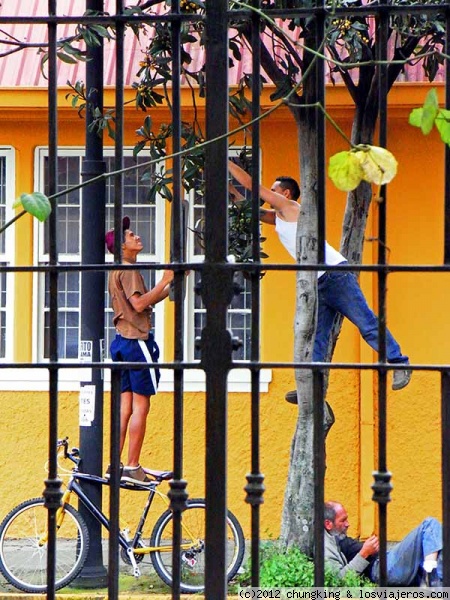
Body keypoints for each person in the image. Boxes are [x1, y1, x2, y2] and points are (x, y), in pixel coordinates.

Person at [228, 160, 412, 398]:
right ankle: (311, 390)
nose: (270, 195)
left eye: (274, 191)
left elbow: (254, 186)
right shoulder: (280, 217)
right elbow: (252, 210)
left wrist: (227, 163)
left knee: (365, 322)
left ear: (285, 193)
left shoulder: (290, 206)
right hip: (318, 281)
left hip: (334, 275)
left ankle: (399, 363)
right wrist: (230, 192)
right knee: (317, 337)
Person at [105, 216, 174, 485]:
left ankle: (115, 463)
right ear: (122, 247)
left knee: (125, 407)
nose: (136, 237)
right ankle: (132, 466)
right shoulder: (129, 270)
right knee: (141, 406)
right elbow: (139, 304)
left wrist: (168, 286)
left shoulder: (118, 271)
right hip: (137, 342)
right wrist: (165, 279)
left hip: (122, 341)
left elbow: (141, 302)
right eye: (131, 235)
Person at [324, 501, 443, 587]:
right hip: (380, 568)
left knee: (437, 542)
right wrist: (364, 553)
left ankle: (435, 580)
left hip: (386, 559)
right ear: (328, 524)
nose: (348, 524)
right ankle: (430, 573)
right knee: (429, 525)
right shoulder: (325, 546)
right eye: (343, 520)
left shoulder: (336, 536)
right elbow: (338, 581)